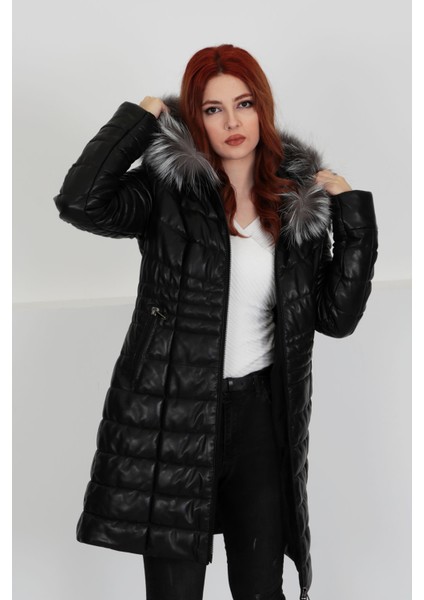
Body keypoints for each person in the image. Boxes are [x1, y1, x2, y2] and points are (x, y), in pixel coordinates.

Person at [53, 44, 378, 600]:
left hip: (261, 419)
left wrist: (352, 214)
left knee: (261, 590)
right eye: (212, 109)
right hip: (174, 416)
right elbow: (80, 202)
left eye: (244, 104)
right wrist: (140, 117)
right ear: (195, 117)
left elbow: (335, 317)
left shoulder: (295, 203)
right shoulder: (166, 191)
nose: (232, 122)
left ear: (262, 108)